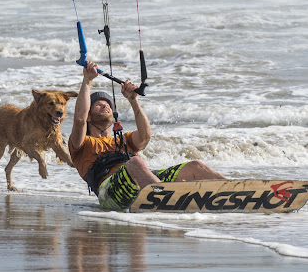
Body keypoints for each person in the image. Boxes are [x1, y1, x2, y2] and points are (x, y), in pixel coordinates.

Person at [69, 61, 224, 211]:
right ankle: (167, 199)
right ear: (89, 116)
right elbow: (79, 119)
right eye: (98, 105)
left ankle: (239, 191)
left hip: (141, 185)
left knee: (196, 166)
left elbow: (145, 137)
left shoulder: (123, 140)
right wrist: (87, 80)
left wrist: (133, 100)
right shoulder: (81, 144)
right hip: (108, 193)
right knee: (135, 162)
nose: (105, 105)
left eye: (108, 105)